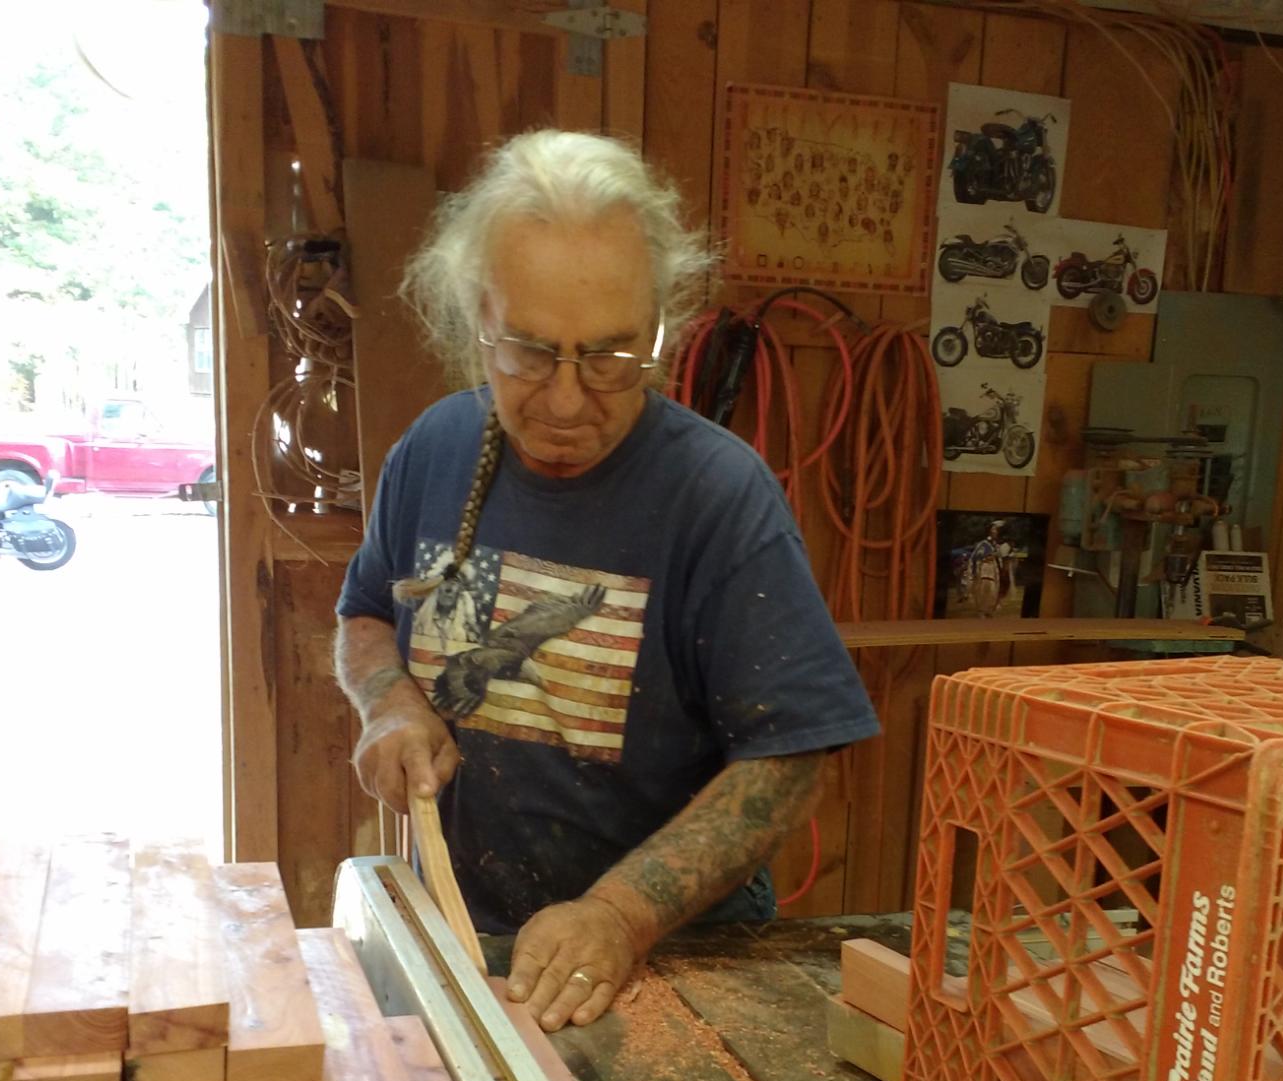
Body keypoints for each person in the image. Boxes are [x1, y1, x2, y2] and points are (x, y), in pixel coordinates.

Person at [333, 130, 879, 1032]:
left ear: (661, 326)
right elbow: (363, 617)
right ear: (479, 317)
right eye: (530, 352)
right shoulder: (434, 449)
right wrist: (390, 700)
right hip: (472, 943)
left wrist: (621, 915)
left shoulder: (716, 495)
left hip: (672, 967)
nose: (565, 399)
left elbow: (790, 760)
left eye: (611, 356)